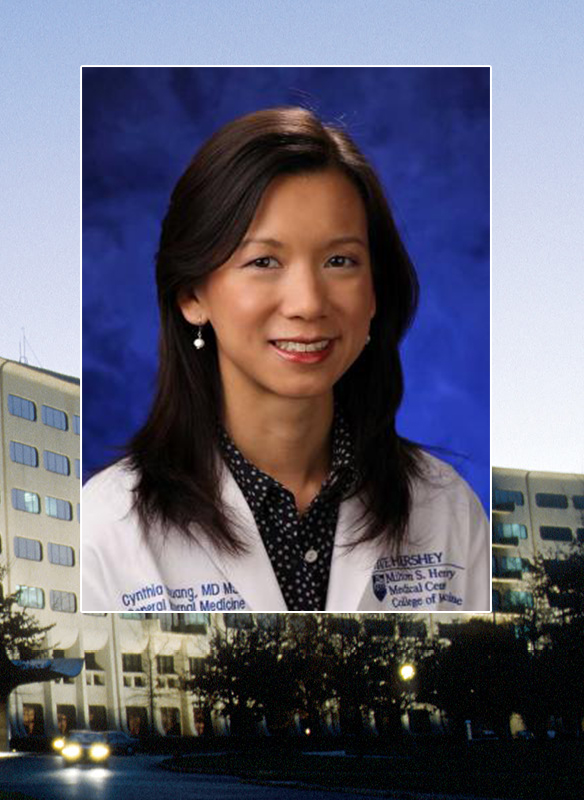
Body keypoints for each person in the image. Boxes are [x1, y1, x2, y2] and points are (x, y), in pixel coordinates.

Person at [81, 107, 489, 613]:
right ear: (192, 295)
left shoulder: (448, 508)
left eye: (339, 261)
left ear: (374, 292)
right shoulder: (103, 530)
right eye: (264, 262)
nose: (308, 303)